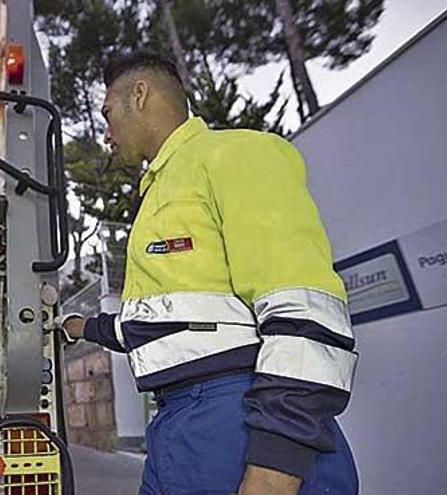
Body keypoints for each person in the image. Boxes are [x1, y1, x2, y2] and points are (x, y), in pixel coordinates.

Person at [59, 52, 359, 495]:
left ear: (139, 96)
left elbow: (305, 311)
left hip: (239, 419)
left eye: (107, 114)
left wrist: (275, 464)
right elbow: (163, 324)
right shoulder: (160, 193)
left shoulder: (236, 154)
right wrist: (79, 326)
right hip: (177, 426)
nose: (106, 133)